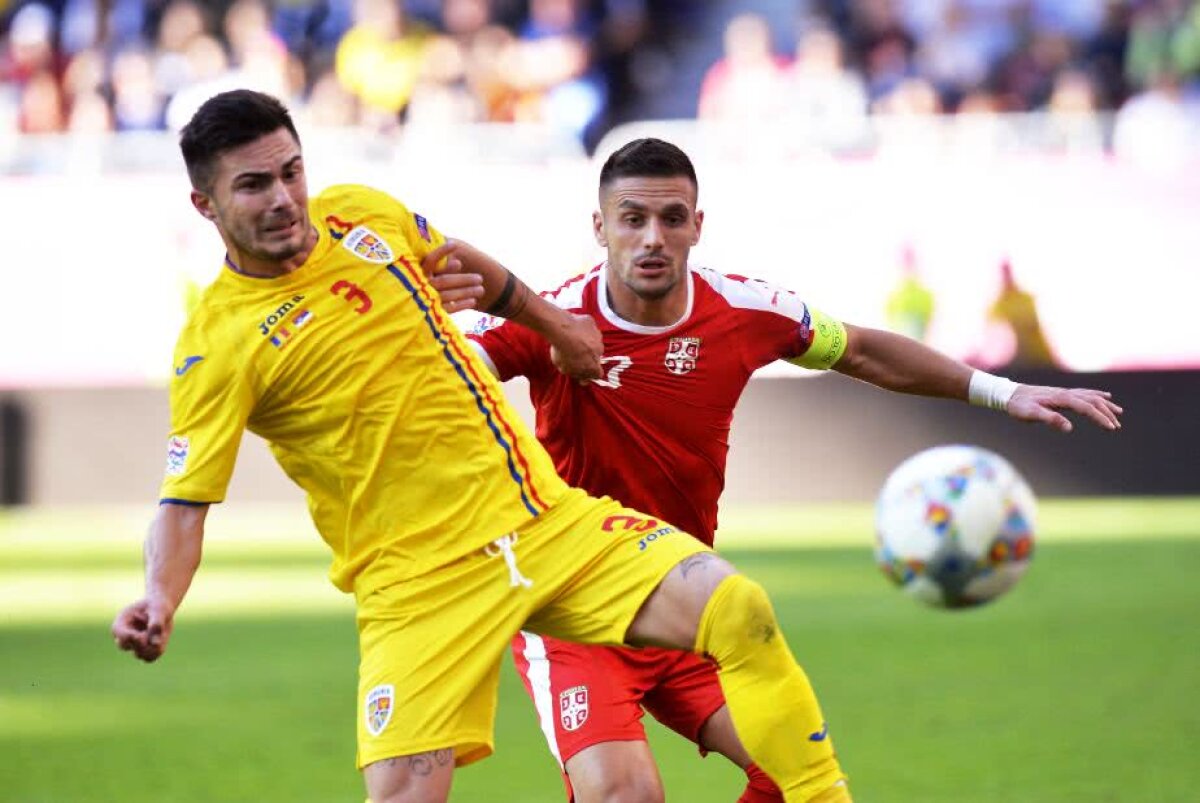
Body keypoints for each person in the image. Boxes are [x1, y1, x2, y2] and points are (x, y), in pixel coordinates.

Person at [109, 91, 854, 803]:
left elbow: (465, 260)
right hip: (416, 583)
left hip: (541, 521)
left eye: (291, 171)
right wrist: (160, 597)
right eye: (252, 185)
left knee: (735, 604)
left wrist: (558, 326)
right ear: (205, 204)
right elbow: (184, 503)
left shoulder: (364, 216)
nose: (281, 197)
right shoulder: (217, 346)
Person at [444, 137, 1123, 803]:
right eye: (633, 219)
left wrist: (1003, 391)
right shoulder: (551, 320)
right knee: (628, 795)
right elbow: (447, 378)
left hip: (682, 603)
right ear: (600, 227)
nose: (652, 237)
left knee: (789, 769)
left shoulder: (746, 311)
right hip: (577, 613)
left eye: (672, 218)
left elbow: (859, 350)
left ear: (697, 226)